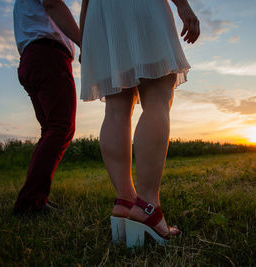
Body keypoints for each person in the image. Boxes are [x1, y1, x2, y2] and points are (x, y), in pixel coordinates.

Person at [80, 0, 199, 247]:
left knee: (115, 108)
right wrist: (184, 6)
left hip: (99, 15)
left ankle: (125, 200)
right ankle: (147, 205)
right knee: (157, 94)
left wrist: (85, 37)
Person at [12, 0, 81, 215]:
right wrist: (84, 42)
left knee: (51, 130)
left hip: (32, 58)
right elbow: (53, 3)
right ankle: (30, 201)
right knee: (62, 127)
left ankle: (35, 199)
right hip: (48, 56)